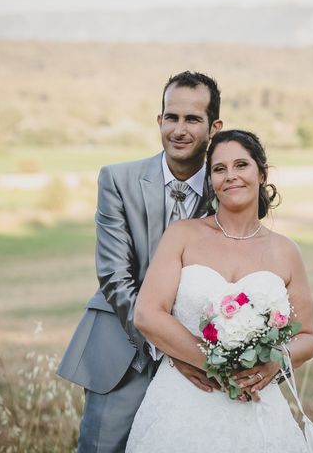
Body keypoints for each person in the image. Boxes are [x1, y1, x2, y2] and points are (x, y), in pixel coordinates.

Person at [57, 71, 224, 452]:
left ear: (213, 127)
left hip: (201, 358)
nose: (179, 129)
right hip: (122, 349)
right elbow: (114, 275)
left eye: (192, 119)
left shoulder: (226, 187)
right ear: (160, 120)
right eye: (171, 117)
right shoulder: (117, 179)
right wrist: (173, 349)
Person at [127, 130, 313, 452]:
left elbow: (308, 337)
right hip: (183, 402)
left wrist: (276, 362)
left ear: (261, 173)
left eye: (241, 165)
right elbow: (147, 313)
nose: (230, 176)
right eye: (219, 169)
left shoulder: (286, 252)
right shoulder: (183, 235)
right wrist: (216, 363)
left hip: (258, 407)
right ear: (211, 180)